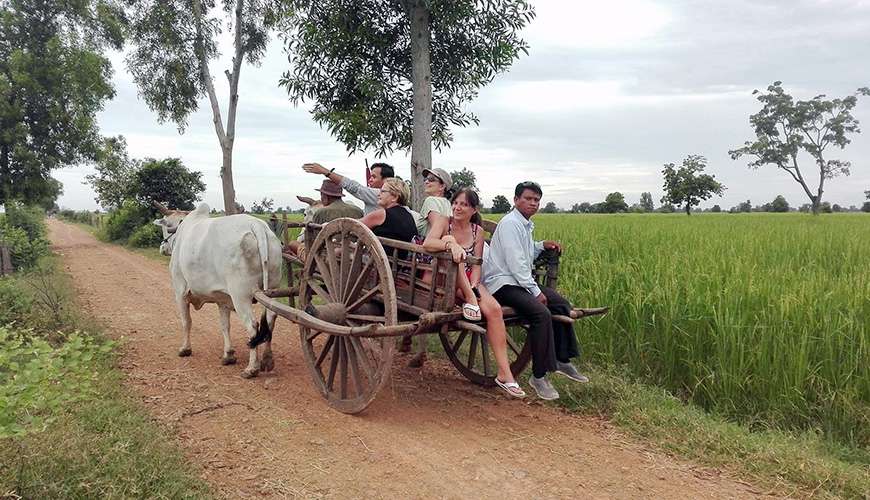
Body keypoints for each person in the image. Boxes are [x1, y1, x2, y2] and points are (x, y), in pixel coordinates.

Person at [483, 181, 588, 401]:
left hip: (518, 282)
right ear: (516, 200)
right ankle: (539, 376)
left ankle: (562, 359)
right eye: (528, 198)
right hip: (503, 284)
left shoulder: (524, 224)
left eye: (536, 200)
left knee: (561, 304)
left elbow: (526, 251)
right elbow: (516, 263)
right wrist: (534, 290)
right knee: (541, 313)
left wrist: (541, 245)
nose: (533, 203)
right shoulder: (511, 223)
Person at [421, 188, 524, 397]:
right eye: (456, 203)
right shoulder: (443, 221)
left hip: (468, 280)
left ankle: (505, 374)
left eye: (464, 205)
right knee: (454, 253)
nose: (458, 208)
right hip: (441, 279)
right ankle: (470, 300)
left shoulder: (478, 231)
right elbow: (429, 243)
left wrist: (475, 286)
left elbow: (477, 263)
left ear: (473, 209)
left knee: (494, 310)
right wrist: (450, 244)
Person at [286, 179, 362, 258]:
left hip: (327, 255)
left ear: (325, 196)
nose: (321, 198)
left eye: (321, 195)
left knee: (292, 244)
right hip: (355, 253)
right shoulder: (358, 210)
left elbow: (316, 241)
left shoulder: (321, 212)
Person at [302, 162, 395, 215]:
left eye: (374, 177)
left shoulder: (378, 194)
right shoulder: (398, 203)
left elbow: (354, 187)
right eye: (370, 177)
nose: (370, 180)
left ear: (386, 180)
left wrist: (326, 172)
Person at [359, 178, 418, 244]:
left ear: (395, 197)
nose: (378, 194)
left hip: (382, 254)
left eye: (383, 191)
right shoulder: (408, 215)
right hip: (400, 254)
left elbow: (351, 225)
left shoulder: (382, 214)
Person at [415, 167, 452, 235]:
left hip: (430, 244)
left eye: (431, 179)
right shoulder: (448, 204)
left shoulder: (430, 200)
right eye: (425, 179)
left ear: (442, 186)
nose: (426, 182)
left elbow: (438, 229)